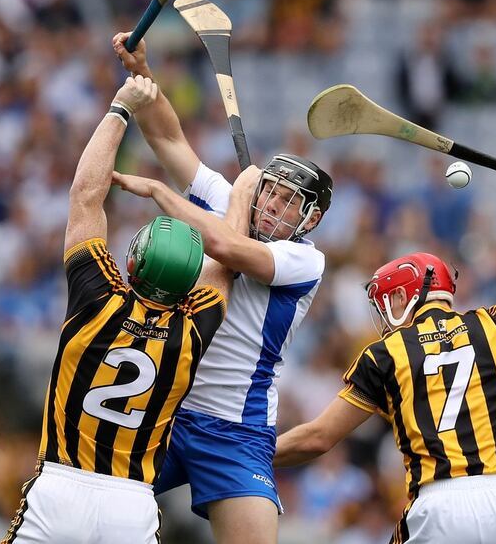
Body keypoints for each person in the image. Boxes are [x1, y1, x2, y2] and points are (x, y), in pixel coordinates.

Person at [274, 167, 496, 543]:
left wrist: (243, 454)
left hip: (438, 505)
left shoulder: (386, 353)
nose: (385, 316)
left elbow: (317, 438)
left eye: (387, 302)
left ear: (404, 296)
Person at [113, 33, 333, 544]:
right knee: (91, 517)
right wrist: (145, 77)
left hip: (236, 432)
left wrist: (159, 192)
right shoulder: (231, 199)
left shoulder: (304, 260)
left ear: (311, 218)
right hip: (166, 408)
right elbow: (168, 140)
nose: (272, 208)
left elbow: (227, 249)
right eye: (270, 194)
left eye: (287, 203)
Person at [1, 75, 240, 544]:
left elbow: (85, 195)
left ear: (134, 260)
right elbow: (228, 255)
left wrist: (119, 109)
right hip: (132, 504)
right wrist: (245, 195)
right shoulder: (194, 328)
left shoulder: (97, 297)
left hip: (60, 488)